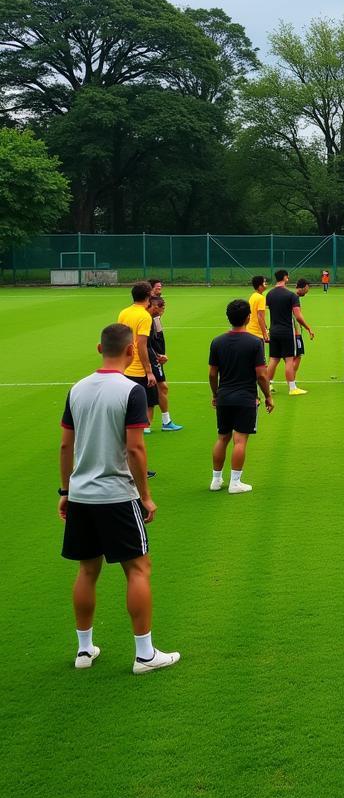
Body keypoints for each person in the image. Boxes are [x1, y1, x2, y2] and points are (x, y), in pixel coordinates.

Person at [59, 322, 179, 674]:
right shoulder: (131, 391)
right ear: (131, 351)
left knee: (87, 569)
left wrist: (66, 492)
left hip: (81, 495)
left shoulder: (77, 389)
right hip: (116, 494)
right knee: (138, 568)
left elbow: (66, 445)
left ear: (99, 349)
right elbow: (135, 449)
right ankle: (144, 655)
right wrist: (146, 496)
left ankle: (84, 651)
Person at [209, 299, 274, 494]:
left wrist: (215, 394)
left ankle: (216, 480)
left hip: (224, 396)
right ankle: (235, 482)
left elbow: (213, 374)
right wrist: (268, 396)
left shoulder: (217, 341)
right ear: (248, 317)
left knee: (222, 438)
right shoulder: (255, 342)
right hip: (245, 397)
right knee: (240, 440)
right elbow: (261, 375)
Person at [265, 269, 315, 396]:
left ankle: (267, 385)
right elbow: (297, 316)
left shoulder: (269, 294)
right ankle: (292, 388)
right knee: (289, 359)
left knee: (274, 359)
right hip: (287, 331)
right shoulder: (290, 295)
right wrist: (308, 327)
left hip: (274, 330)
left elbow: (266, 312)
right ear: (286, 277)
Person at [117, 281, 158, 431]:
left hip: (125, 367)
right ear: (148, 295)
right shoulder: (144, 316)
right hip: (138, 369)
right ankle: (143, 430)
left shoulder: (124, 313)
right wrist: (148, 371)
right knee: (149, 402)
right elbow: (141, 345)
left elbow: (120, 339)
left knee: (127, 403)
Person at [145, 295, 183, 432]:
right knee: (160, 387)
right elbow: (146, 344)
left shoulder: (154, 319)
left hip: (153, 357)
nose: (164, 309)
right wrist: (158, 356)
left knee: (154, 387)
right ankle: (160, 423)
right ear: (154, 306)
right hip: (151, 359)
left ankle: (149, 424)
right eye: (162, 307)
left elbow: (158, 338)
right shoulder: (147, 320)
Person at [246, 275, 270, 342]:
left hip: (250, 330)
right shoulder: (261, 298)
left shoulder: (253, 296)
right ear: (260, 286)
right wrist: (265, 333)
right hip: (257, 333)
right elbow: (260, 316)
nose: (266, 284)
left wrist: (265, 327)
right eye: (264, 283)